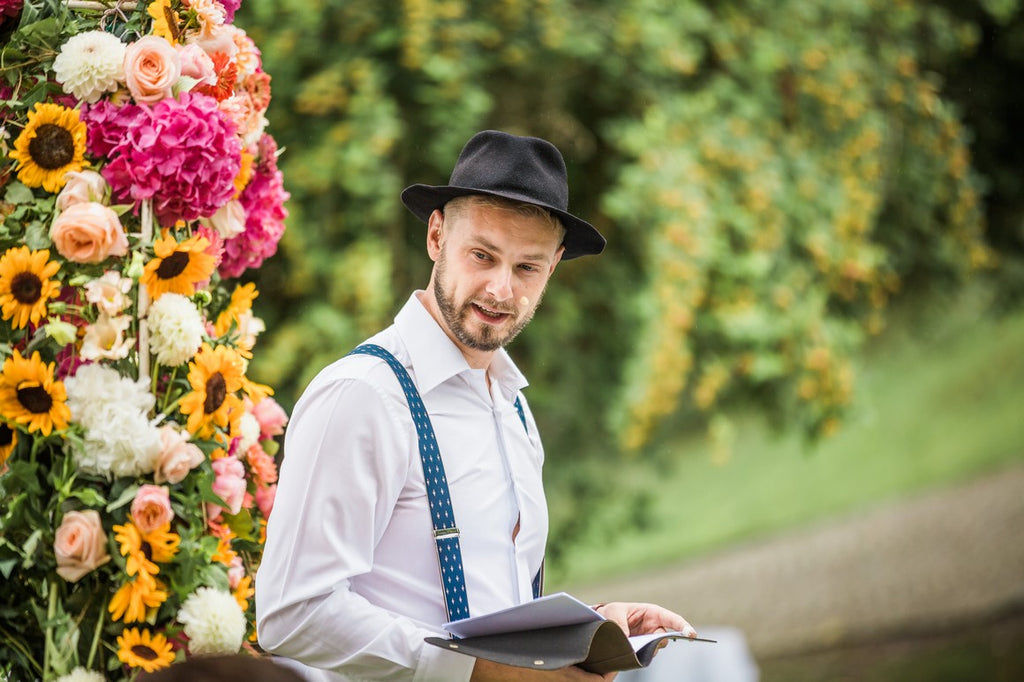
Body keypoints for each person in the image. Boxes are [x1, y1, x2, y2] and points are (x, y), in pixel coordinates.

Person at [255, 130, 696, 681]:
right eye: (482, 255)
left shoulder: (511, 405)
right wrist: (487, 673)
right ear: (436, 236)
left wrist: (591, 629)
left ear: (554, 266)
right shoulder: (364, 395)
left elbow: (491, 601)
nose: (501, 290)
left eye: (527, 268)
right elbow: (292, 614)